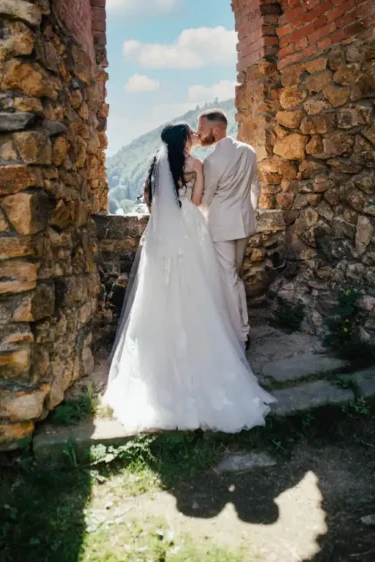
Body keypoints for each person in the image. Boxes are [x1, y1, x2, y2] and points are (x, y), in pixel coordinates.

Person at [104, 123, 275, 434]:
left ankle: (158, 365)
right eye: (192, 135)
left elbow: (150, 200)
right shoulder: (195, 164)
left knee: (159, 295)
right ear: (184, 139)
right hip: (189, 230)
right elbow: (196, 202)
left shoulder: (157, 163)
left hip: (161, 234)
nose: (196, 137)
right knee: (198, 291)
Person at [198, 109, 260, 350]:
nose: (200, 134)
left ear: (216, 129)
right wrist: (250, 212)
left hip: (221, 227)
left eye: (202, 129)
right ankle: (239, 328)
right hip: (244, 223)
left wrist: (197, 221)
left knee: (229, 280)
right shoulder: (249, 151)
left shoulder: (212, 161)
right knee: (235, 277)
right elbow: (256, 187)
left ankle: (241, 335)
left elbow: (206, 198)